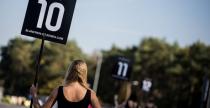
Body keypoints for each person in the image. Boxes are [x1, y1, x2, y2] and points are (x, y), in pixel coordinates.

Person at [30, 60, 101, 108]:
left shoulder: (59, 90)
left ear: (69, 71)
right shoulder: (90, 94)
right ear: (84, 73)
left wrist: (34, 94)